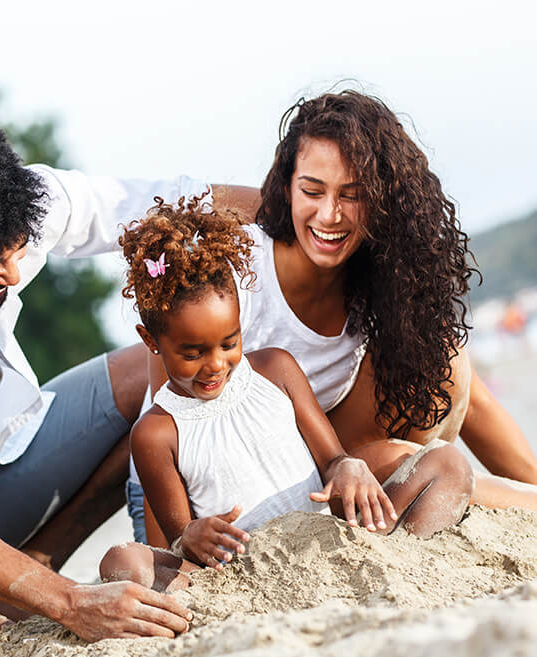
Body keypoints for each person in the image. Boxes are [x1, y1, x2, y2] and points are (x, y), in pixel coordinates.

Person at [0, 114, 259, 641]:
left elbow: (175, 204)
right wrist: (70, 604)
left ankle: (26, 571)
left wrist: (304, 206)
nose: (11, 275)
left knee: (155, 371)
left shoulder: (20, 201)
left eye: (17, 250)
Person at [133, 89, 537, 546]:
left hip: (306, 467)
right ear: (286, 187)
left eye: (353, 195)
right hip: (206, 502)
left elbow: (474, 400)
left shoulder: (375, 275)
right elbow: (168, 428)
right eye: (312, 190)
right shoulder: (219, 286)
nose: (330, 214)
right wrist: (171, 546)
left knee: (436, 370)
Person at [100, 198, 473, 589]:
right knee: (121, 560)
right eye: (192, 354)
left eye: (229, 343)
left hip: (326, 544)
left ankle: (402, 562)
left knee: (447, 464)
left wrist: (347, 468)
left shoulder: (276, 369)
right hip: (237, 575)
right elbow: (178, 538)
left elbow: (332, 459)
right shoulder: (155, 433)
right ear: (151, 341)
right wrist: (190, 535)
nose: (214, 364)